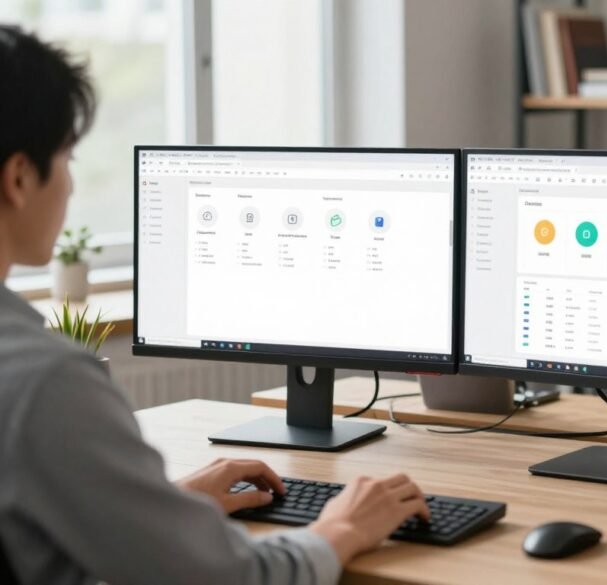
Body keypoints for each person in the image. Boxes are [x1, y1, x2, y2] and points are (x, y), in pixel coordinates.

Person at [0, 26, 429, 585]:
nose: (72, 186)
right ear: (19, 177)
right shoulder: (46, 382)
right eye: (67, 157)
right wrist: (341, 528)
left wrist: (165, 508)